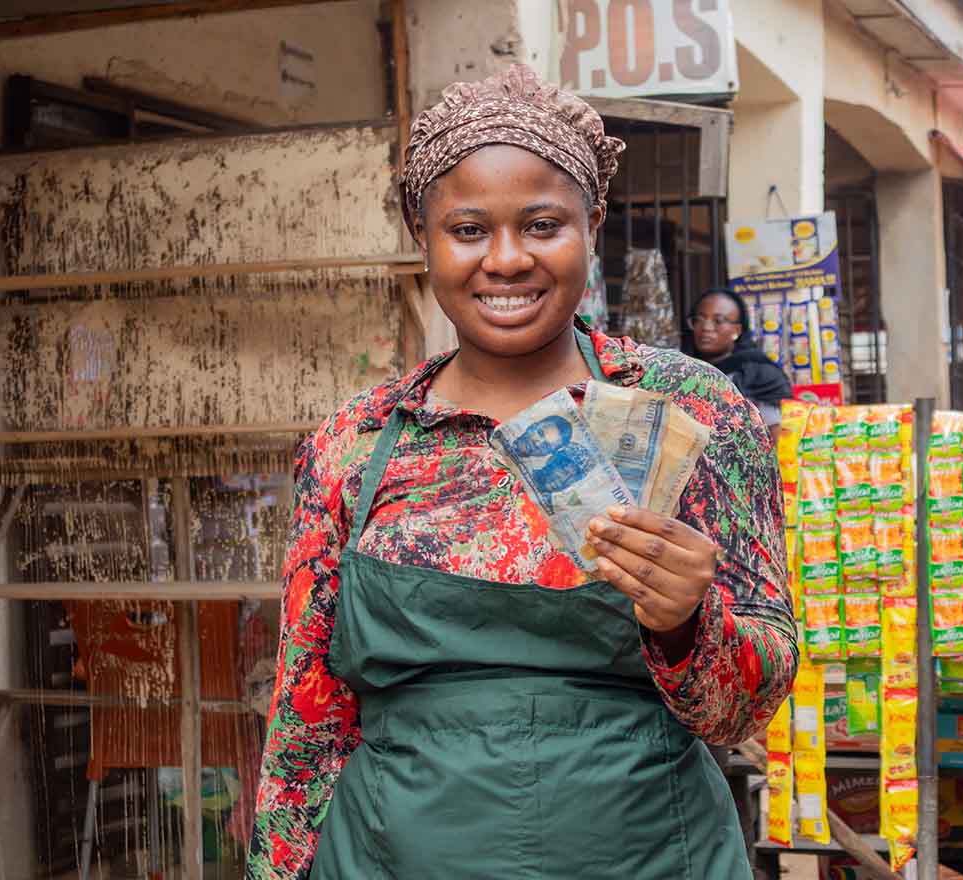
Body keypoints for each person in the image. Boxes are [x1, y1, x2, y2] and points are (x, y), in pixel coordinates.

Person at [248, 65, 797, 879]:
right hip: (388, 857)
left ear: (593, 222)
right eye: (468, 230)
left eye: (542, 225)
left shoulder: (692, 409)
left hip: (650, 855)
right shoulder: (355, 444)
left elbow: (746, 707)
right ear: (421, 233)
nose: (505, 261)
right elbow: (307, 711)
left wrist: (687, 623)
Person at [685, 287, 793, 426]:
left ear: (737, 330)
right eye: (699, 319)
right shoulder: (684, 370)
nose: (706, 327)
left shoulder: (761, 375)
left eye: (718, 320)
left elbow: (779, 434)